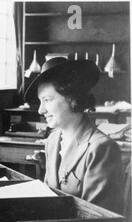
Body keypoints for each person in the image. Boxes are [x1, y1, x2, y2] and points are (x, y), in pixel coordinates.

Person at [24, 57, 124, 213]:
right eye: (40, 101)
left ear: (72, 99)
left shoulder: (101, 148)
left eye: (47, 100)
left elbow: (99, 221)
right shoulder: (52, 140)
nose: (40, 110)